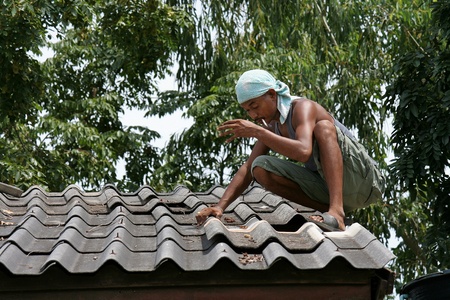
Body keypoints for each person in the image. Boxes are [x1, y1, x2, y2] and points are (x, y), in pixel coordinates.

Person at [195, 69, 385, 231]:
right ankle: (332, 212)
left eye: (254, 106)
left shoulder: (302, 107)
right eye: (247, 111)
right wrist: (220, 206)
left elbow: (303, 151)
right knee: (259, 167)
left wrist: (259, 132)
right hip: (337, 189)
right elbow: (247, 168)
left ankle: (337, 213)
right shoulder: (271, 127)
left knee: (323, 127)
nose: (253, 115)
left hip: (365, 180)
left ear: (272, 94)